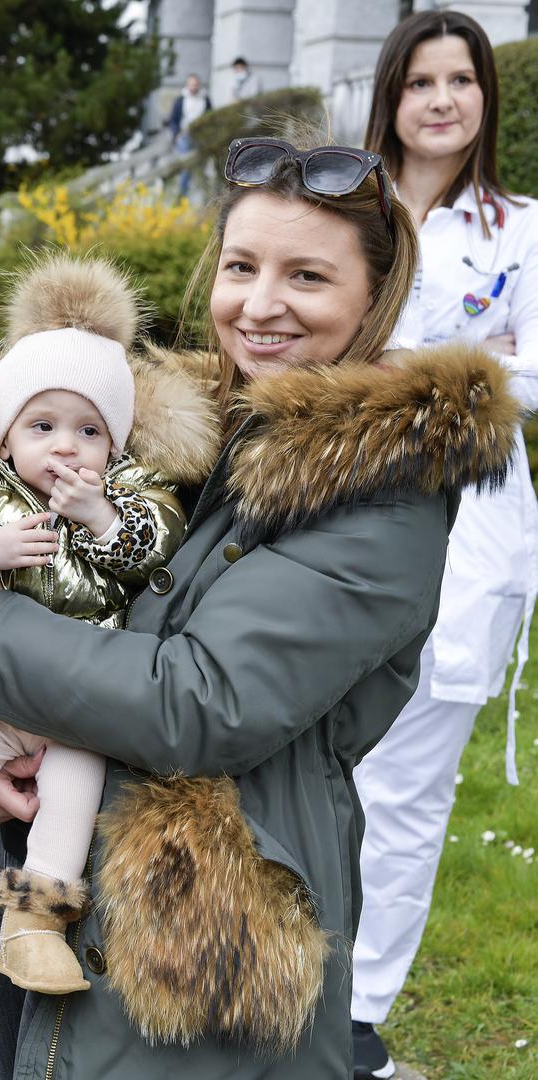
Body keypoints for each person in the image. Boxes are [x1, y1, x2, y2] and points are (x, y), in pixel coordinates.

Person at [0, 137, 520, 1078]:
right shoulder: (177, 429)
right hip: (51, 869)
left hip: (195, 931)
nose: (260, 305)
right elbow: (38, 581)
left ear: (374, 296)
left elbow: (199, 699)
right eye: (240, 266)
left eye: (306, 275)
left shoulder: (380, 490)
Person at [0, 255, 211, 990]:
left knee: (70, 798)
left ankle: (38, 920)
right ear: (2, 438)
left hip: (77, 706)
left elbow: (153, 547)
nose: (65, 445)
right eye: (43, 425)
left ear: (115, 446)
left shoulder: (130, 494)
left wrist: (100, 516)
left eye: (88, 431)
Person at [352, 12, 538, 1078]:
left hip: (471, 530)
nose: (438, 100)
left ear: (483, 98)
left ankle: (355, 1014)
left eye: (459, 80)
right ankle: (274, 986)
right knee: (319, 764)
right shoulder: (347, 208)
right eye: (417, 80)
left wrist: (410, 365)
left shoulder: (520, 228)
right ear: (388, 94)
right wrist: (471, 357)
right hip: (341, 509)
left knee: (411, 787)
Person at [168, 74, 211, 199]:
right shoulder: (181, 100)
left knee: (201, 167)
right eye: (192, 84)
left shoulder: (205, 99)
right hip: (184, 136)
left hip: (200, 137)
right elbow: (173, 119)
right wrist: (176, 134)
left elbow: (209, 118)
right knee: (186, 167)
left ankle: (203, 198)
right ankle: (182, 196)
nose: (194, 87)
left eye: (196, 84)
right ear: (187, 85)